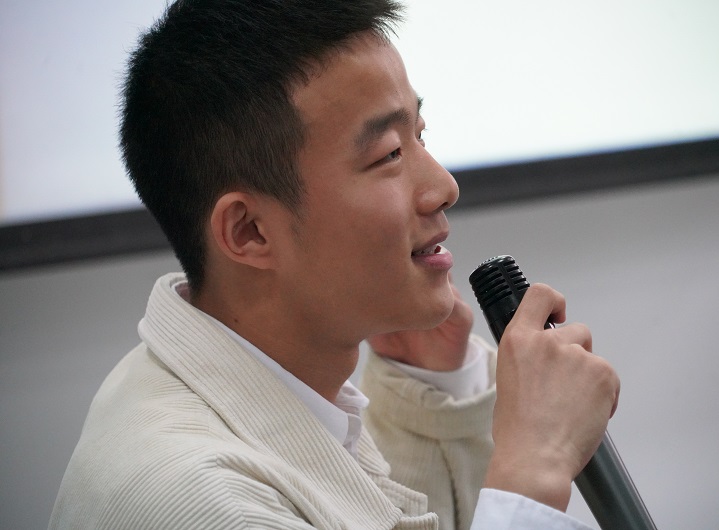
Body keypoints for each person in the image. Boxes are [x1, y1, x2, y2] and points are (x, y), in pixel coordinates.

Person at [49, 1, 620, 528]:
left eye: (420, 136)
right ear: (249, 232)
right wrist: (534, 467)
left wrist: (430, 383)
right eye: (389, 154)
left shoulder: (225, 379)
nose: (444, 187)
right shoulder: (202, 500)